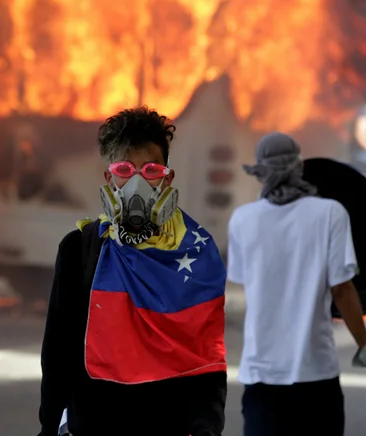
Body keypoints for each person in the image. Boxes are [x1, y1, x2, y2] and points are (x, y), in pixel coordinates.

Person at [37, 107, 228, 436]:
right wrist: (49, 426)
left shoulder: (198, 253)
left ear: (167, 177)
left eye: (150, 169)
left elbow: (207, 360)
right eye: (124, 169)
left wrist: (207, 427)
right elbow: (58, 354)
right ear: (109, 178)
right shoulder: (78, 250)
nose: (137, 181)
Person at [227, 132, 366, 436]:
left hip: (261, 373)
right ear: (299, 167)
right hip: (314, 372)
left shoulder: (242, 219)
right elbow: (342, 289)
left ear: (260, 172)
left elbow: (250, 282)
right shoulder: (329, 213)